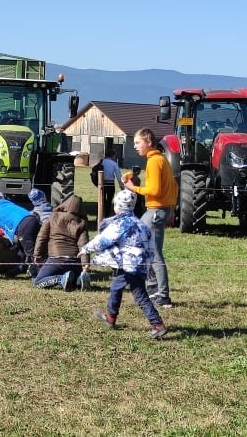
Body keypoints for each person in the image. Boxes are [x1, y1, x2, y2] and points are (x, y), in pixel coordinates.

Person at [80, 189, 167, 339]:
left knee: (140, 295)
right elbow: (151, 247)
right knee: (116, 287)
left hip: (130, 266)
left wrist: (86, 249)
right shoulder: (141, 225)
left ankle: (157, 325)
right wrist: (150, 263)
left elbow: (103, 240)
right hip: (135, 264)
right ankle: (111, 317)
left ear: (118, 206)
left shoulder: (120, 224)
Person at [122, 128, 177, 309]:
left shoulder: (154, 162)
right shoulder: (162, 159)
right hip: (160, 210)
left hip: (154, 210)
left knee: (154, 253)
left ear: (148, 142)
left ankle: (162, 295)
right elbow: (173, 186)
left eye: (138, 142)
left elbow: (154, 191)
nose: (135, 146)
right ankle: (153, 289)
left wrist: (132, 188)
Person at [31, 194, 90, 291]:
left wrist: (37, 255)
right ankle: (79, 280)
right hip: (75, 262)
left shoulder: (53, 217)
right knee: (72, 281)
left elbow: (41, 237)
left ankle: (60, 279)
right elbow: (83, 244)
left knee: (38, 282)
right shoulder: (81, 222)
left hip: (56, 260)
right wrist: (85, 263)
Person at [0, 191, 41, 277]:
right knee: (21, 248)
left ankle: (39, 274)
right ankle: (20, 268)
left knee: (30, 251)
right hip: (32, 220)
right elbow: (9, 223)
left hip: (24, 225)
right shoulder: (9, 205)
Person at [90, 149, 123, 216]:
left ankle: (101, 214)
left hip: (101, 183)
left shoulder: (101, 162)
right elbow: (118, 175)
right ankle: (107, 214)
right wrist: (121, 185)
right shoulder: (114, 164)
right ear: (113, 156)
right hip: (110, 184)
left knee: (102, 200)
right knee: (109, 200)